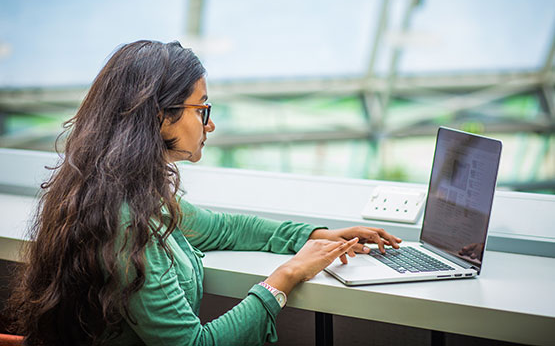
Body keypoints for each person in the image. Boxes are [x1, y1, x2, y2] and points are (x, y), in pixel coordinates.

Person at [9, 40, 401, 346]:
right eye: (202, 110)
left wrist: (314, 237)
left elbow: (221, 229)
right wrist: (287, 276)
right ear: (162, 116)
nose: (208, 126)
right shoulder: (126, 220)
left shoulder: (118, 190)